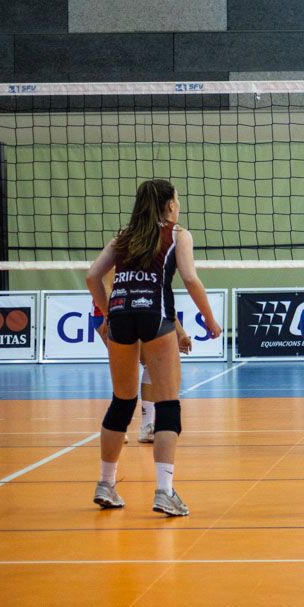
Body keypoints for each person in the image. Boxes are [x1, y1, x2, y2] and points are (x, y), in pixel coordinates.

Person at [87, 178, 222, 517]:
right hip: (154, 316)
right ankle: (164, 491)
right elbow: (190, 279)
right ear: (169, 205)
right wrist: (211, 320)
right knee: (167, 404)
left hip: (119, 315)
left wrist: (105, 315)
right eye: (177, 200)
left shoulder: (123, 236)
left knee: (122, 401)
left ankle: (106, 484)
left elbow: (92, 276)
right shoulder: (178, 235)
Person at [93, 270, 192, 444]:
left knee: (148, 364)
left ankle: (144, 427)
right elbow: (104, 285)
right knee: (127, 368)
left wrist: (182, 333)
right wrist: (109, 315)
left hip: (135, 313)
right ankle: (123, 426)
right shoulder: (121, 253)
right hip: (110, 314)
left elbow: (164, 303)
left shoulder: (153, 266)